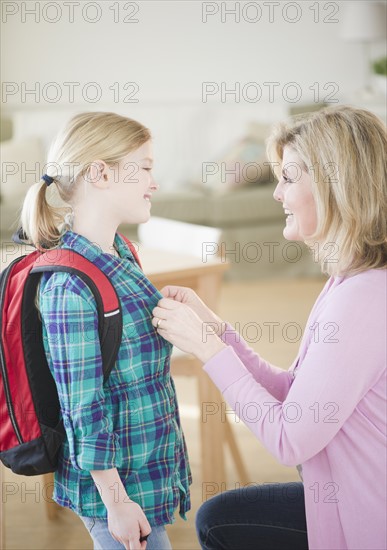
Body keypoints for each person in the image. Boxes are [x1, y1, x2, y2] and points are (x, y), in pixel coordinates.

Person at [151, 105, 387, 550]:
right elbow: (296, 394)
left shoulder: (362, 300)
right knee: (219, 517)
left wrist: (208, 351)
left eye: (290, 178)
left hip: (365, 518)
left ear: (337, 186)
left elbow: (288, 439)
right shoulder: (349, 281)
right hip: (343, 496)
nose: (277, 194)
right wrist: (218, 333)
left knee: (219, 520)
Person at [20, 111, 191, 550]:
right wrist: (116, 503)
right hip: (114, 491)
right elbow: (83, 408)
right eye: (146, 167)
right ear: (100, 172)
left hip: (143, 468)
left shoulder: (120, 251)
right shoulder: (69, 287)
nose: (154, 181)